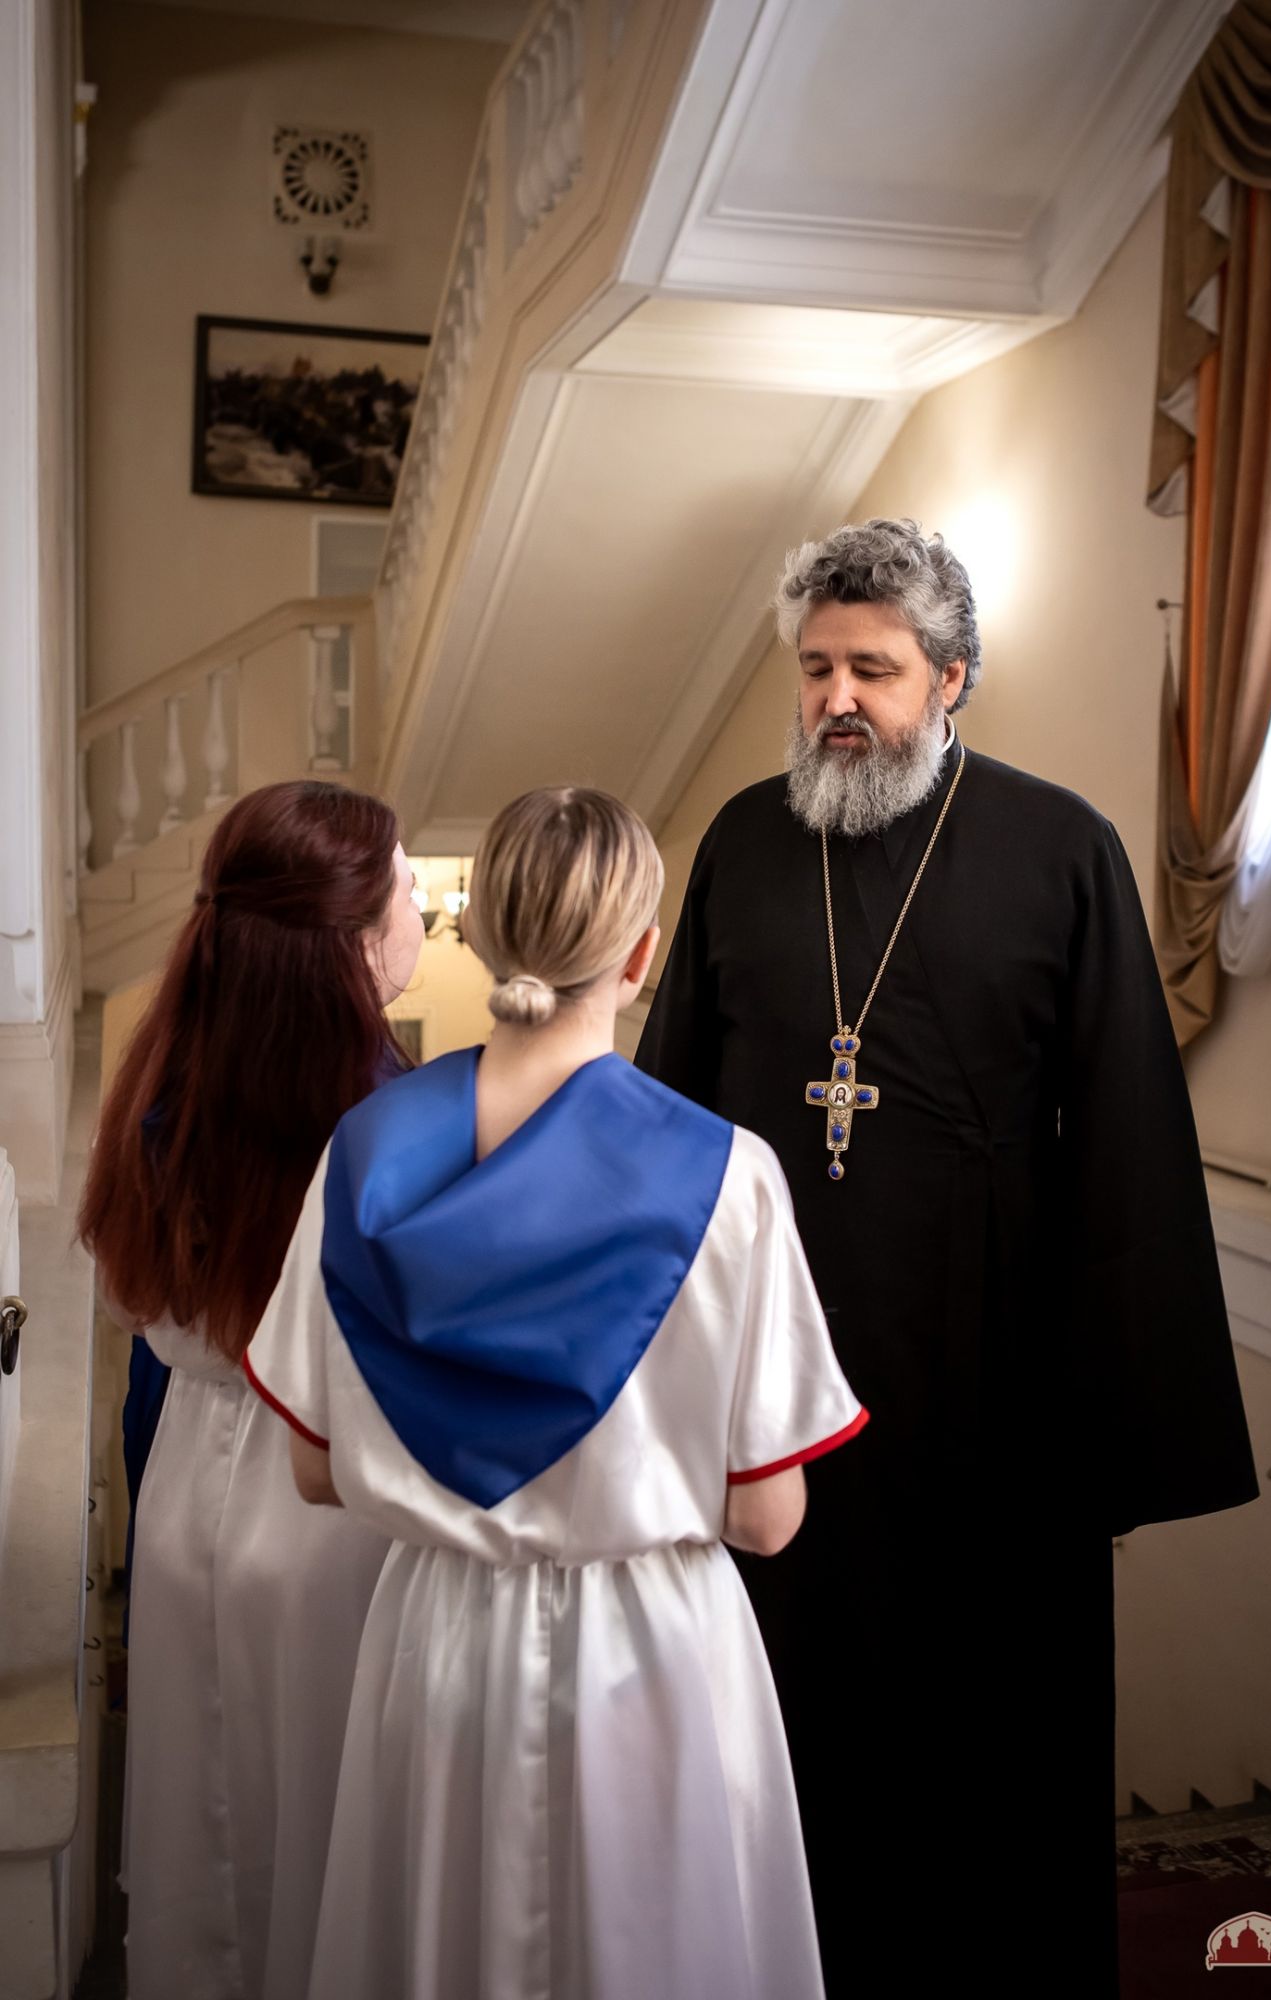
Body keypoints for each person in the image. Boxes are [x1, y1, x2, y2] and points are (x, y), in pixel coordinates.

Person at [634, 518, 1260, 1995]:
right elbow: (667, 1113)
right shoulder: (741, 840)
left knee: (989, 1761)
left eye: (874, 669)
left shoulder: (1062, 849)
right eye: (815, 669)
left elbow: (1126, 1143)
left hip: (994, 1395)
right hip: (778, 1384)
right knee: (787, 1730)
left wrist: (1114, 1423)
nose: (837, 699)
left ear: (954, 676)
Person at [244, 785, 865, 2000]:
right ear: (639, 955)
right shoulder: (728, 1176)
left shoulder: (362, 1150)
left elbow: (315, 1469)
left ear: (480, 933)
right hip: (648, 1654)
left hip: (436, 1640)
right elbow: (765, 1516)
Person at [79, 779, 423, 2000]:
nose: (421, 903)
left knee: (204, 1840)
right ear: (356, 942)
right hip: (330, 1506)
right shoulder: (390, 1119)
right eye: (405, 887)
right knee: (324, 1844)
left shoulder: (161, 1083)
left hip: (186, 1491)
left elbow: (135, 1329)